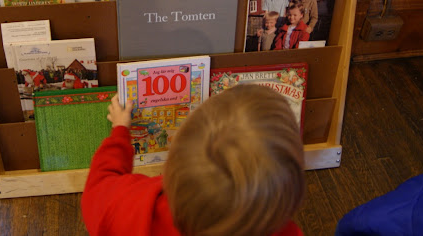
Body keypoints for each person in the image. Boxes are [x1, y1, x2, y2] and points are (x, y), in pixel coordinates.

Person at [81, 85, 305, 236]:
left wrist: (120, 131)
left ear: (172, 163)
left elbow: (100, 182)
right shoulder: (284, 230)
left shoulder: (127, 208)